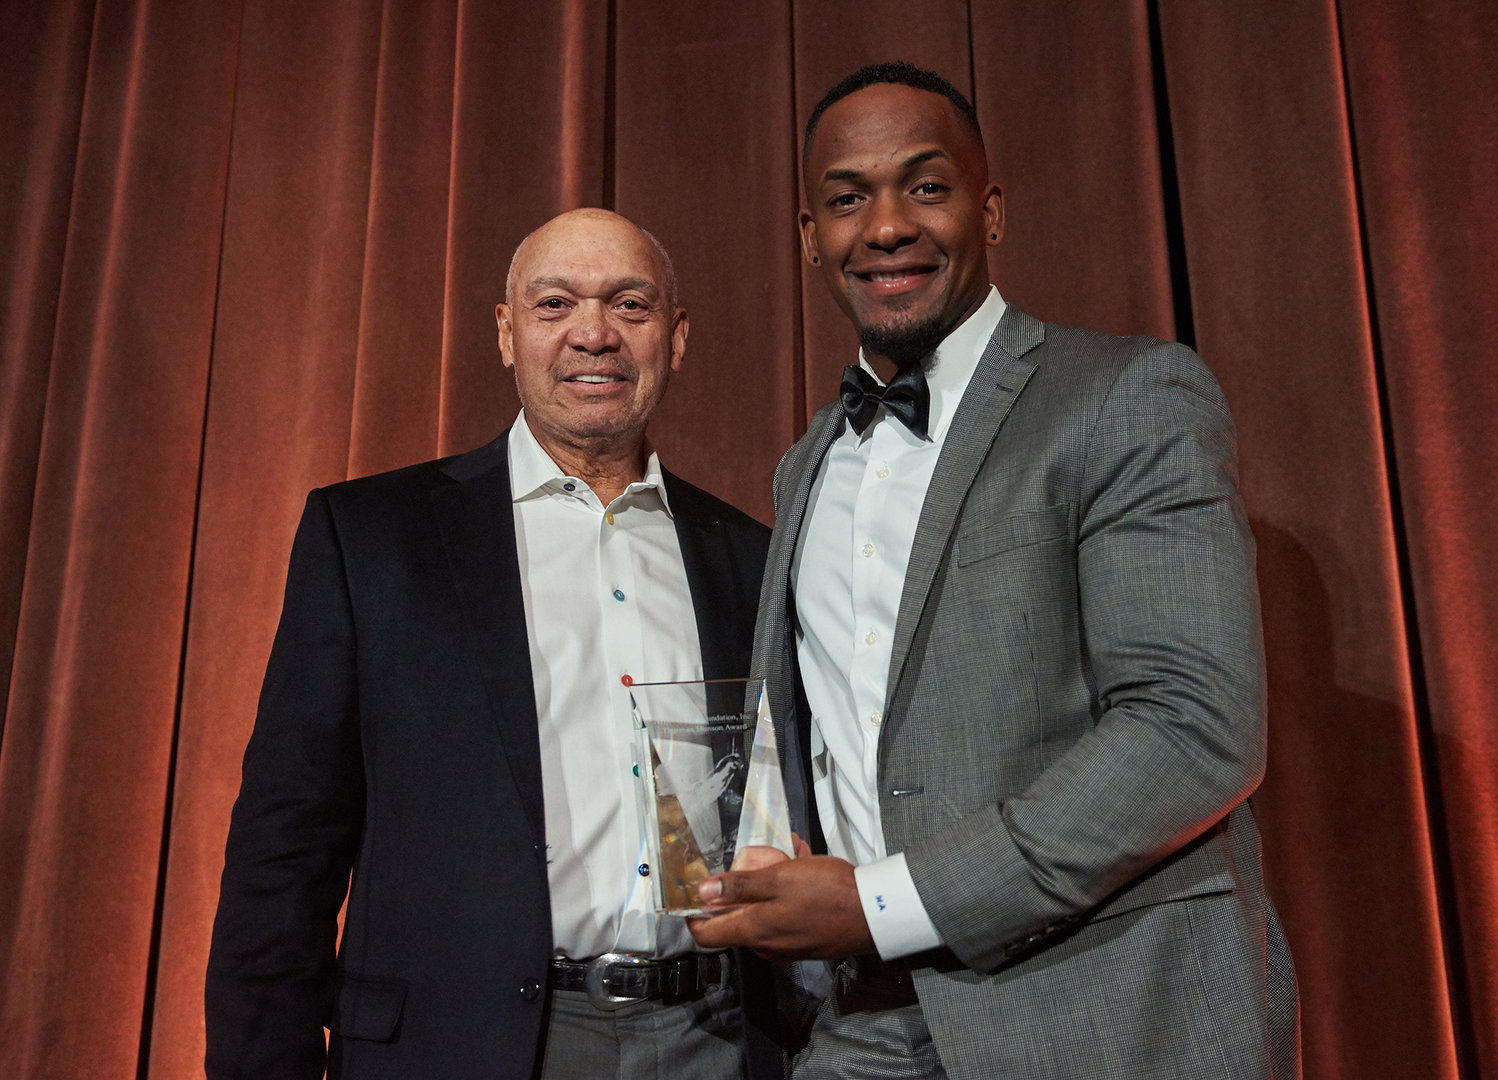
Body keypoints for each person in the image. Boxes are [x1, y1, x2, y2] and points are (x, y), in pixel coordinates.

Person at [688, 62, 1301, 1079]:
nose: (884, 225)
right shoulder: (805, 467)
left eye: (923, 187)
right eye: (846, 199)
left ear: (990, 207)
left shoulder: (1125, 397)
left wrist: (882, 903)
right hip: (861, 1022)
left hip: (1102, 1006)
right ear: (809, 237)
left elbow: (1193, 728)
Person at [206, 209, 778, 1079]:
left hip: (714, 1039)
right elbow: (286, 844)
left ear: (677, 335)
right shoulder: (371, 537)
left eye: (629, 304)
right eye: (555, 304)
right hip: (461, 1045)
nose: (594, 333)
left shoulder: (752, 557)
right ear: (507, 333)